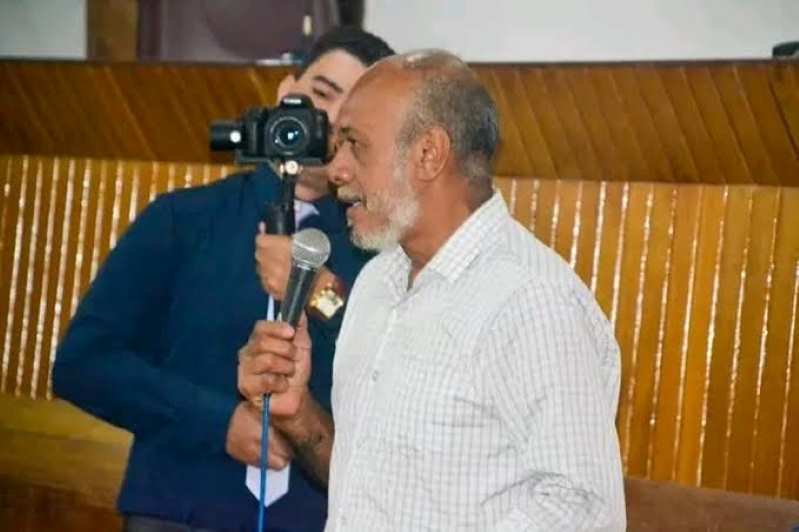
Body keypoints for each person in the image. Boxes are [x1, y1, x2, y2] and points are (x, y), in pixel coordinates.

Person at [238, 50, 627, 530]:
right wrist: (298, 415)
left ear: (428, 154)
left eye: (355, 145)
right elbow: (368, 490)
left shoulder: (532, 301)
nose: (336, 169)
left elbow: (584, 508)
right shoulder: (378, 281)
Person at [53, 27, 393, 532]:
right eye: (321, 94)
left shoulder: (378, 254)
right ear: (286, 90)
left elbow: (392, 377)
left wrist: (320, 292)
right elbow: (83, 363)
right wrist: (216, 422)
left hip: (313, 518)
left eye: (351, 116)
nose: (326, 122)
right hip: (177, 509)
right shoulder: (182, 219)